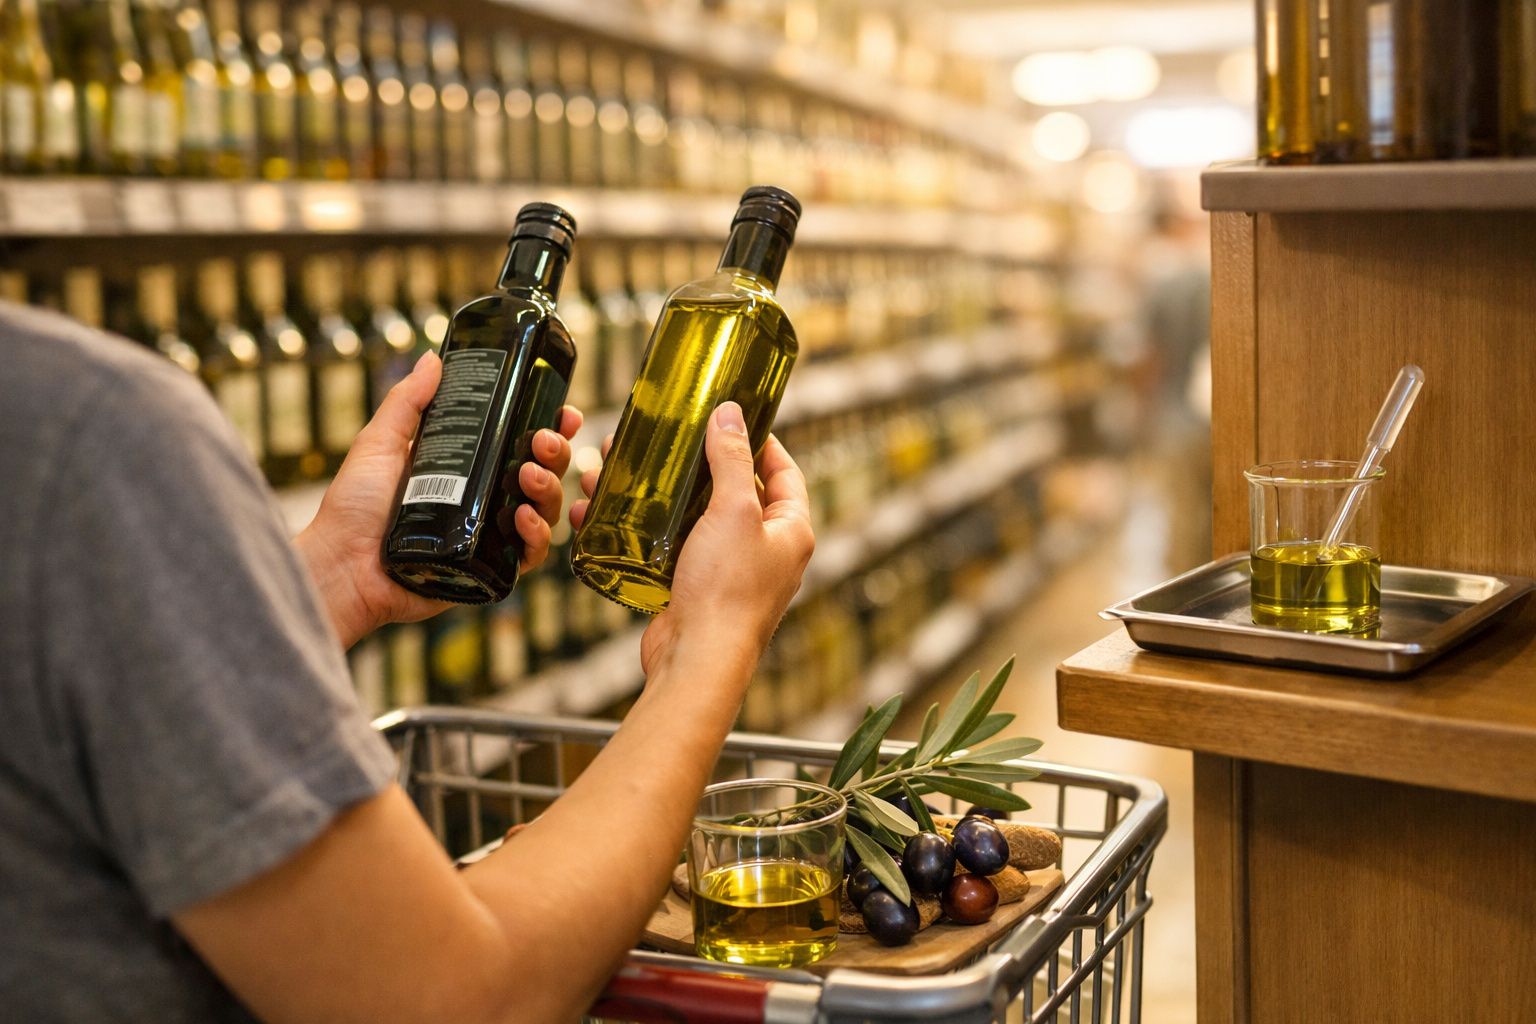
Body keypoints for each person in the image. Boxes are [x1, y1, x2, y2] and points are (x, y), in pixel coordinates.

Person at [0, 299, 815, 1022]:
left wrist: (333, 578)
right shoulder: (89, 433)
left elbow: (110, 694)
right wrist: (711, 640)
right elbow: (464, 999)